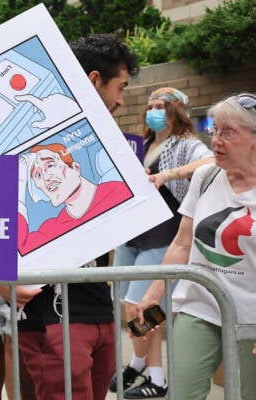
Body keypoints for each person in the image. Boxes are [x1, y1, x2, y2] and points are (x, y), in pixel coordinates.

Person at [15, 33, 139, 400]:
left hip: (98, 308)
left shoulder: (109, 153)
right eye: (121, 87)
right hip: (49, 315)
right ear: (94, 81)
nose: (121, 100)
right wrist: (0, 283)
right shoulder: (21, 148)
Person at [136, 93, 256, 400]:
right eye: (214, 130)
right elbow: (182, 242)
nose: (216, 140)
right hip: (199, 305)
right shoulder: (206, 176)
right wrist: (154, 293)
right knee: (182, 393)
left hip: (251, 315)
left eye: (228, 133)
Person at [110, 87, 214, 398]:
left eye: (161, 106)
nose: (153, 111)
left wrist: (168, 175)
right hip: (133, 236)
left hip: (162, 237)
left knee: (142, 309)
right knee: (134, 308)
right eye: (150, 106)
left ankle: (154, 376)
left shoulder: (185, 145)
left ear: (176, 111)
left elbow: (208, 163)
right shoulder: (141, 145)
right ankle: (140, 363)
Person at [18, 142, 134, 254]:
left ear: (75, 168)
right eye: (38, 175)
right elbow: (20, 247)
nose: (46, 177)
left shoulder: (121, 192)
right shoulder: (54, 228)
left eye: (50, 165)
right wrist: (18, 184)